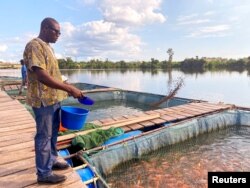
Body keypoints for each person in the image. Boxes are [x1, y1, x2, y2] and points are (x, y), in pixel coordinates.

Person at [23, 17, 85, 184]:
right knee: (44, 135)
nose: (59, 35)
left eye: (60, 32)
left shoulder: (49, 48)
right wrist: (70, 89)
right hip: (43, 100)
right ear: (45, 29)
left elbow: (54, 74)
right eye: (56, 31)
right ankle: (43, 174)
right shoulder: (34, 45)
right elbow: (42, 76)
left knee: (53, 133)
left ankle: (51, 159)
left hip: (54, 99)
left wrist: (69, 85)